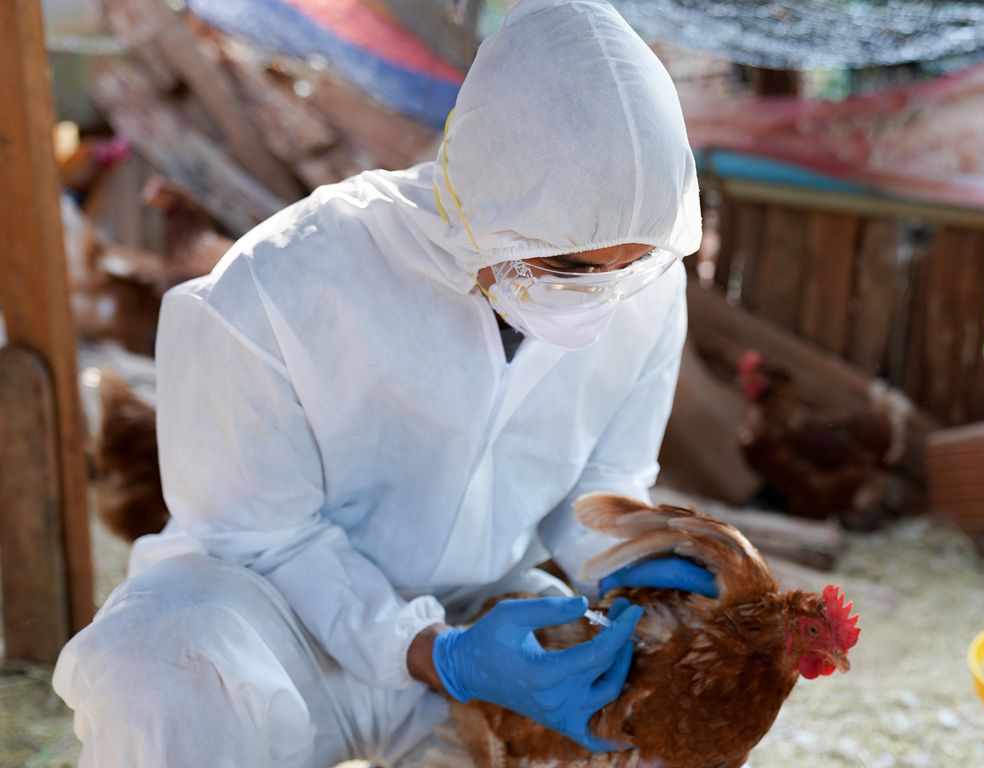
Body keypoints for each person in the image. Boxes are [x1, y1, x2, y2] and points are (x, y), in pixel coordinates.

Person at [51, 1, 712, 765]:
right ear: (485, 196)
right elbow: (262, 535)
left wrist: (632, 557)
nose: (598, 294)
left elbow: (602, 478)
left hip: (490, 619)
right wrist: (443, 654)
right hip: (282, 626)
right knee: (161, 662)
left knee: (649, 730)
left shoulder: (649, 294)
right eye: (567, 266)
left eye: (625, 265)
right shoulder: (281, 283)